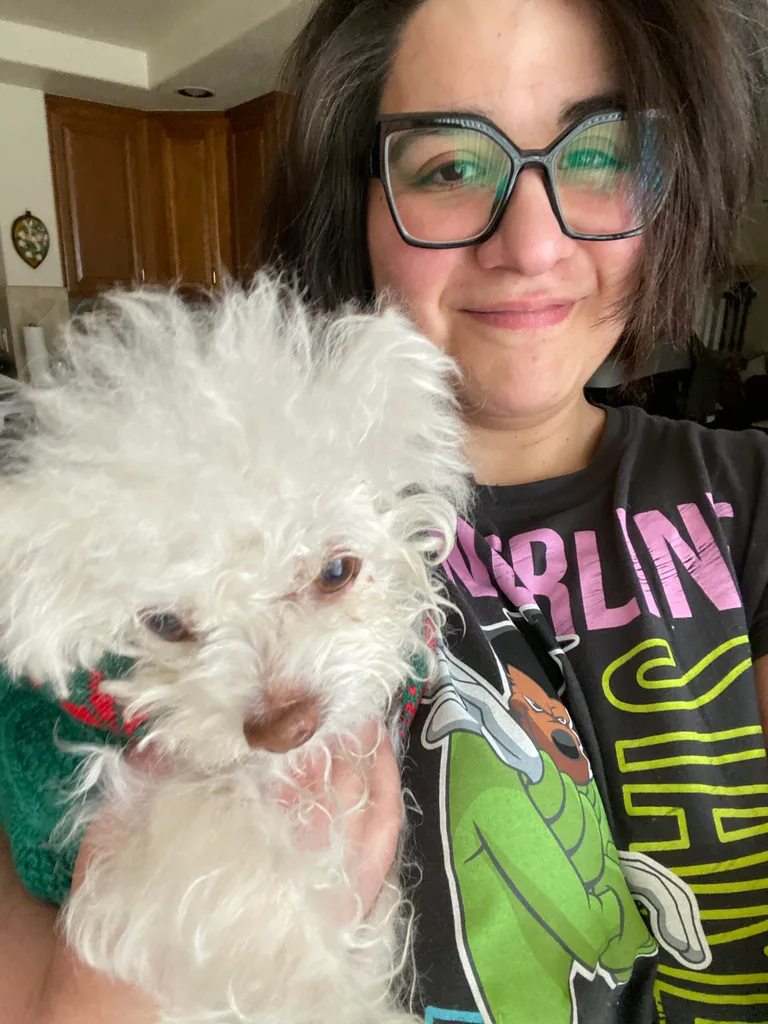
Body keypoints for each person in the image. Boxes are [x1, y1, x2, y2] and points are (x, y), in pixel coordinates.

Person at [3, 0, 768, 1021]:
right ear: (352, 199)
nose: (530, 244)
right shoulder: (120, 566)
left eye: (601, 152)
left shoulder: (748, 507)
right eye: (450, 164)